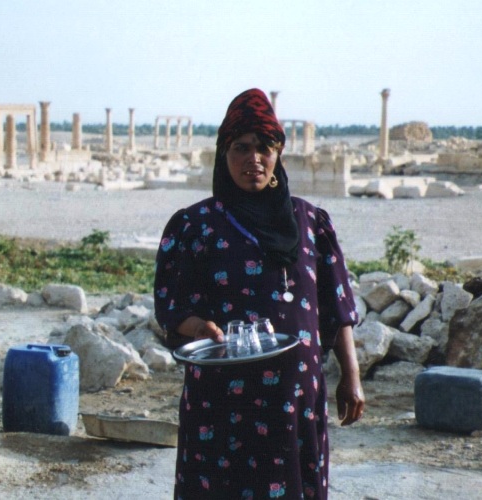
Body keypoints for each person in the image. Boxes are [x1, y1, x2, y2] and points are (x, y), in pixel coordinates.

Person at [154, 88, 365, 499]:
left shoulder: (310, 222)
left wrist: (351, 378)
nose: (254, 159)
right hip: (222, 402)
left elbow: (337, 304)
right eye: (241, 148)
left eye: (264, 148)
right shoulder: (194, 226)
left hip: (295, 400)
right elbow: (171, 304)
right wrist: (197, 325)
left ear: (278, 154)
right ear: (223, 153)